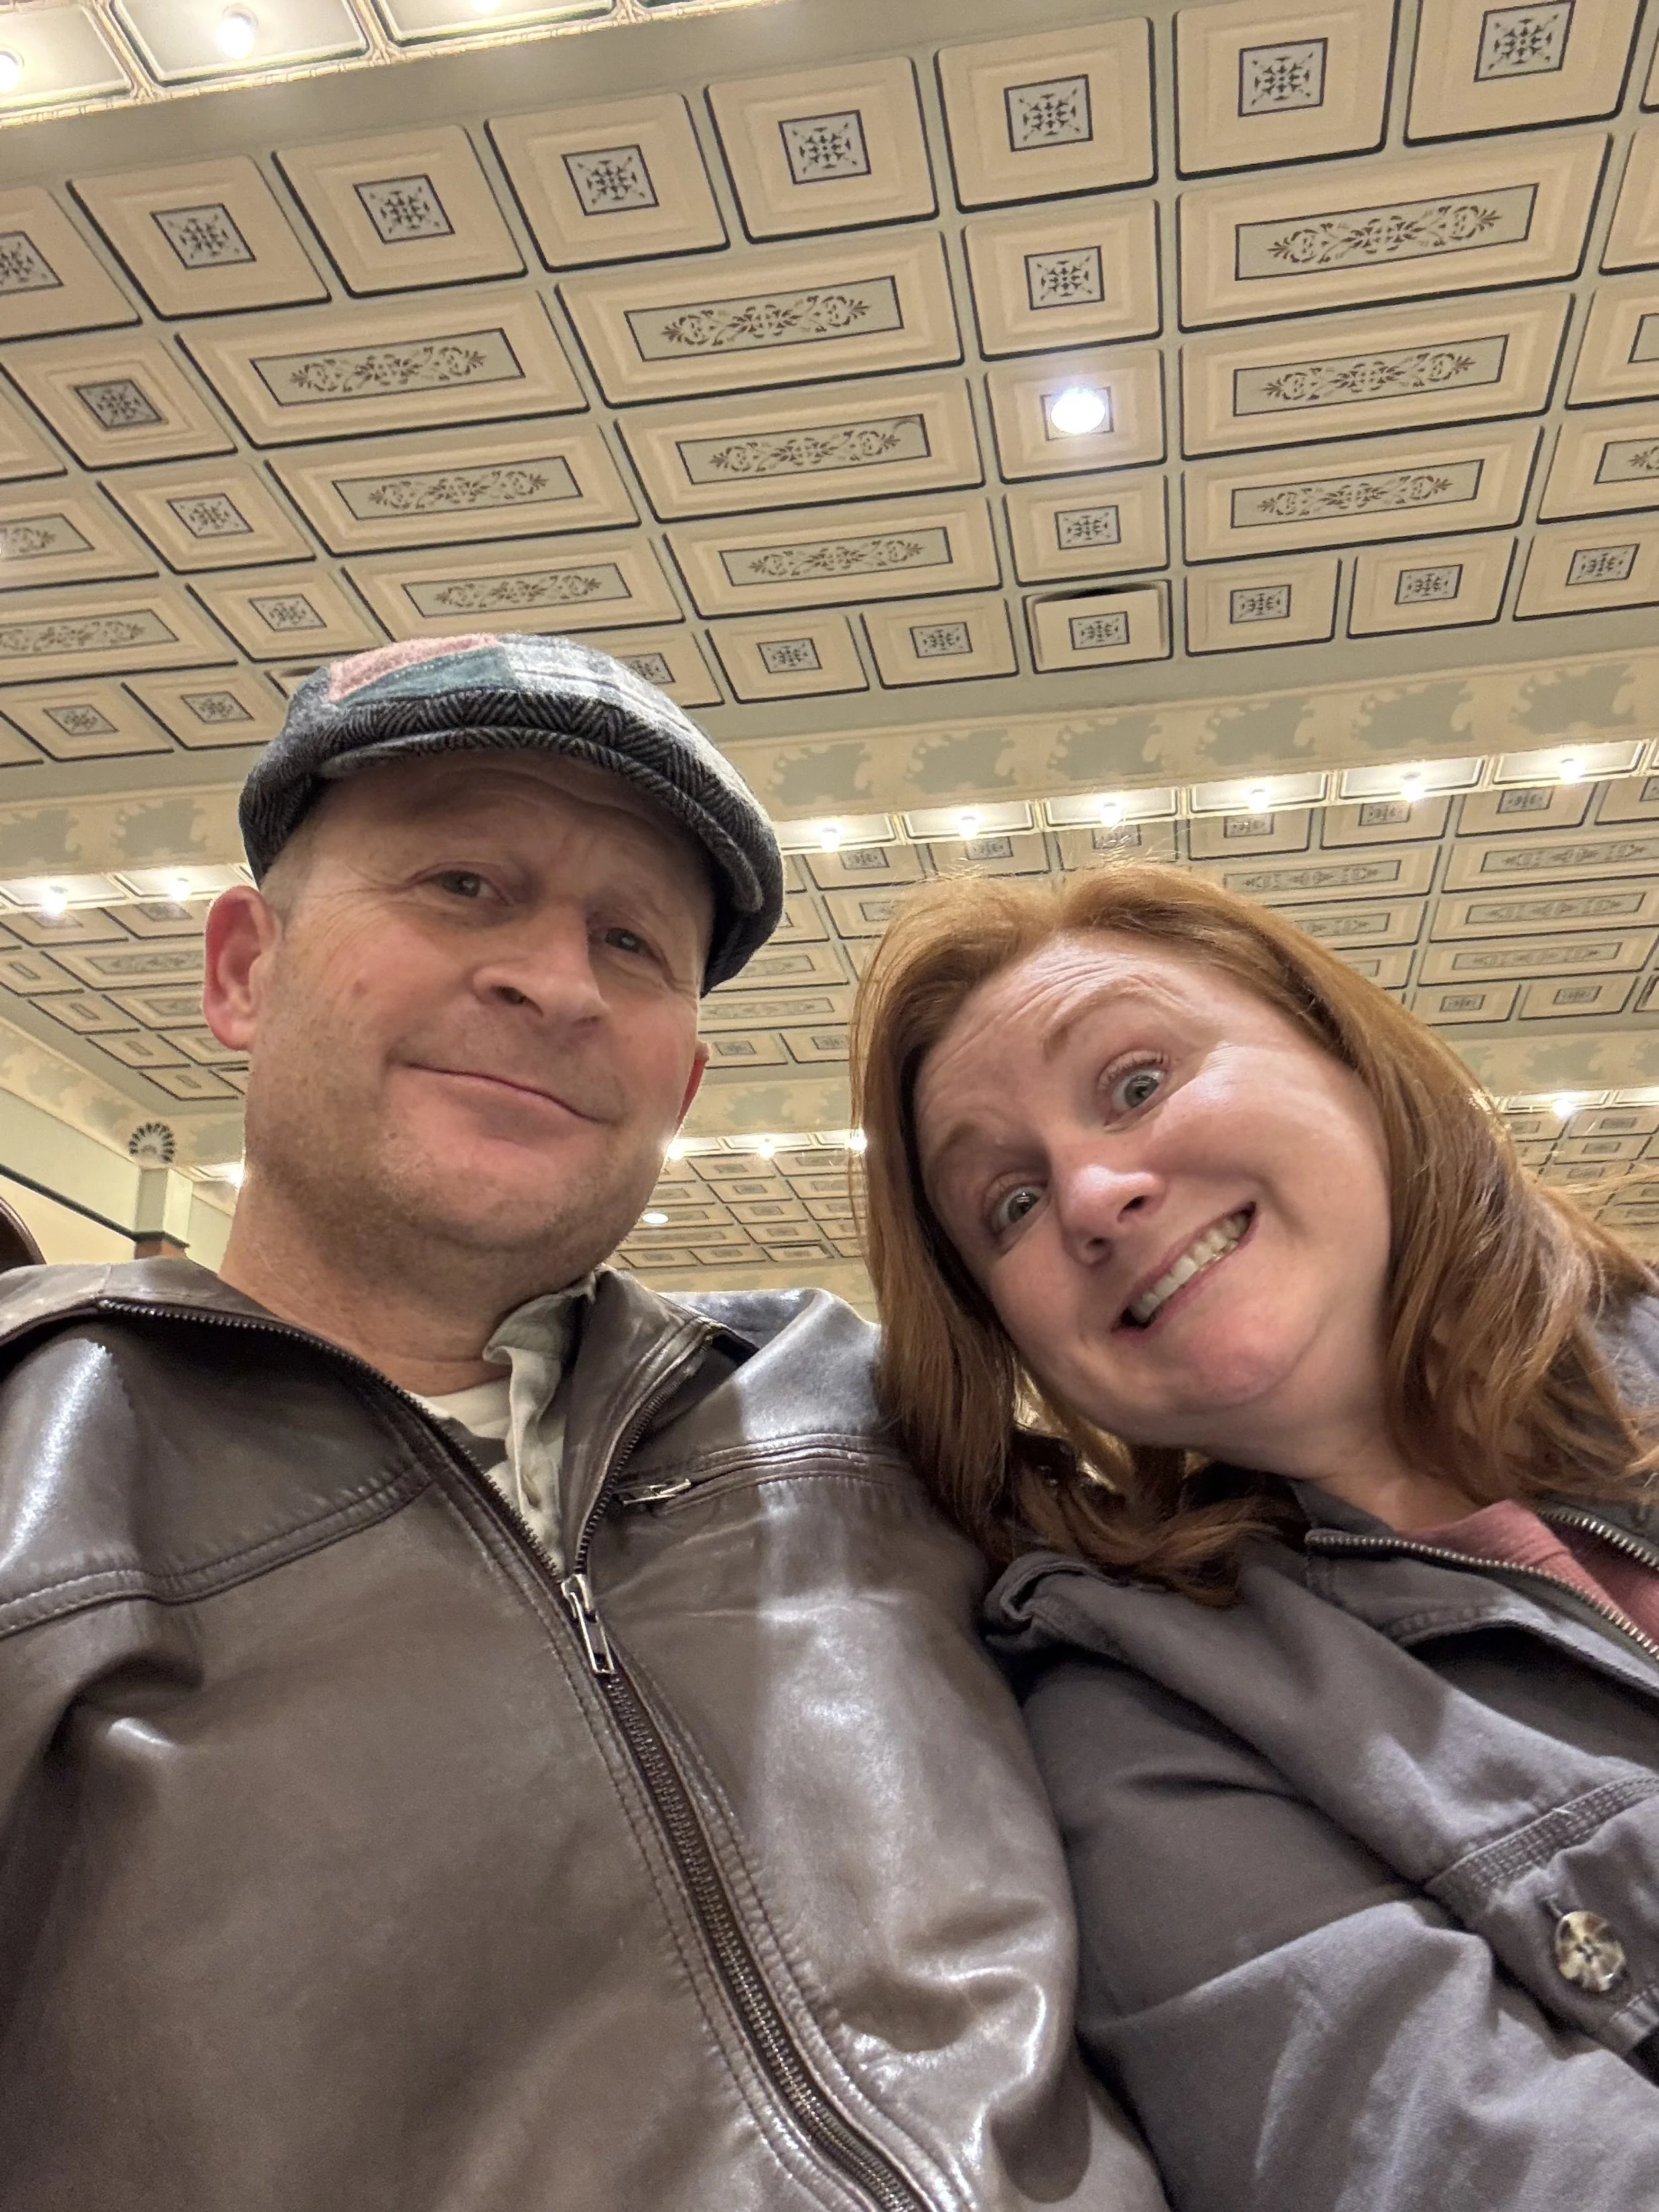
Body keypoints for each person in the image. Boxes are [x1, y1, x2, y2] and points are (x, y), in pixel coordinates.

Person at [0, 633, 1166, 2212]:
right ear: (241, 971)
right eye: (461, 884)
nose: (554, 981)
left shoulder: (850, 1399)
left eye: (629, 942)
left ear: (678, 1087)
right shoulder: (39, 1457)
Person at [851, 857, 1659, 2212]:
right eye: (1010, 1205)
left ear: (1350, 1062)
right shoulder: (1144, 1729)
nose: (1091, 1193)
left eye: (1136, 1082)